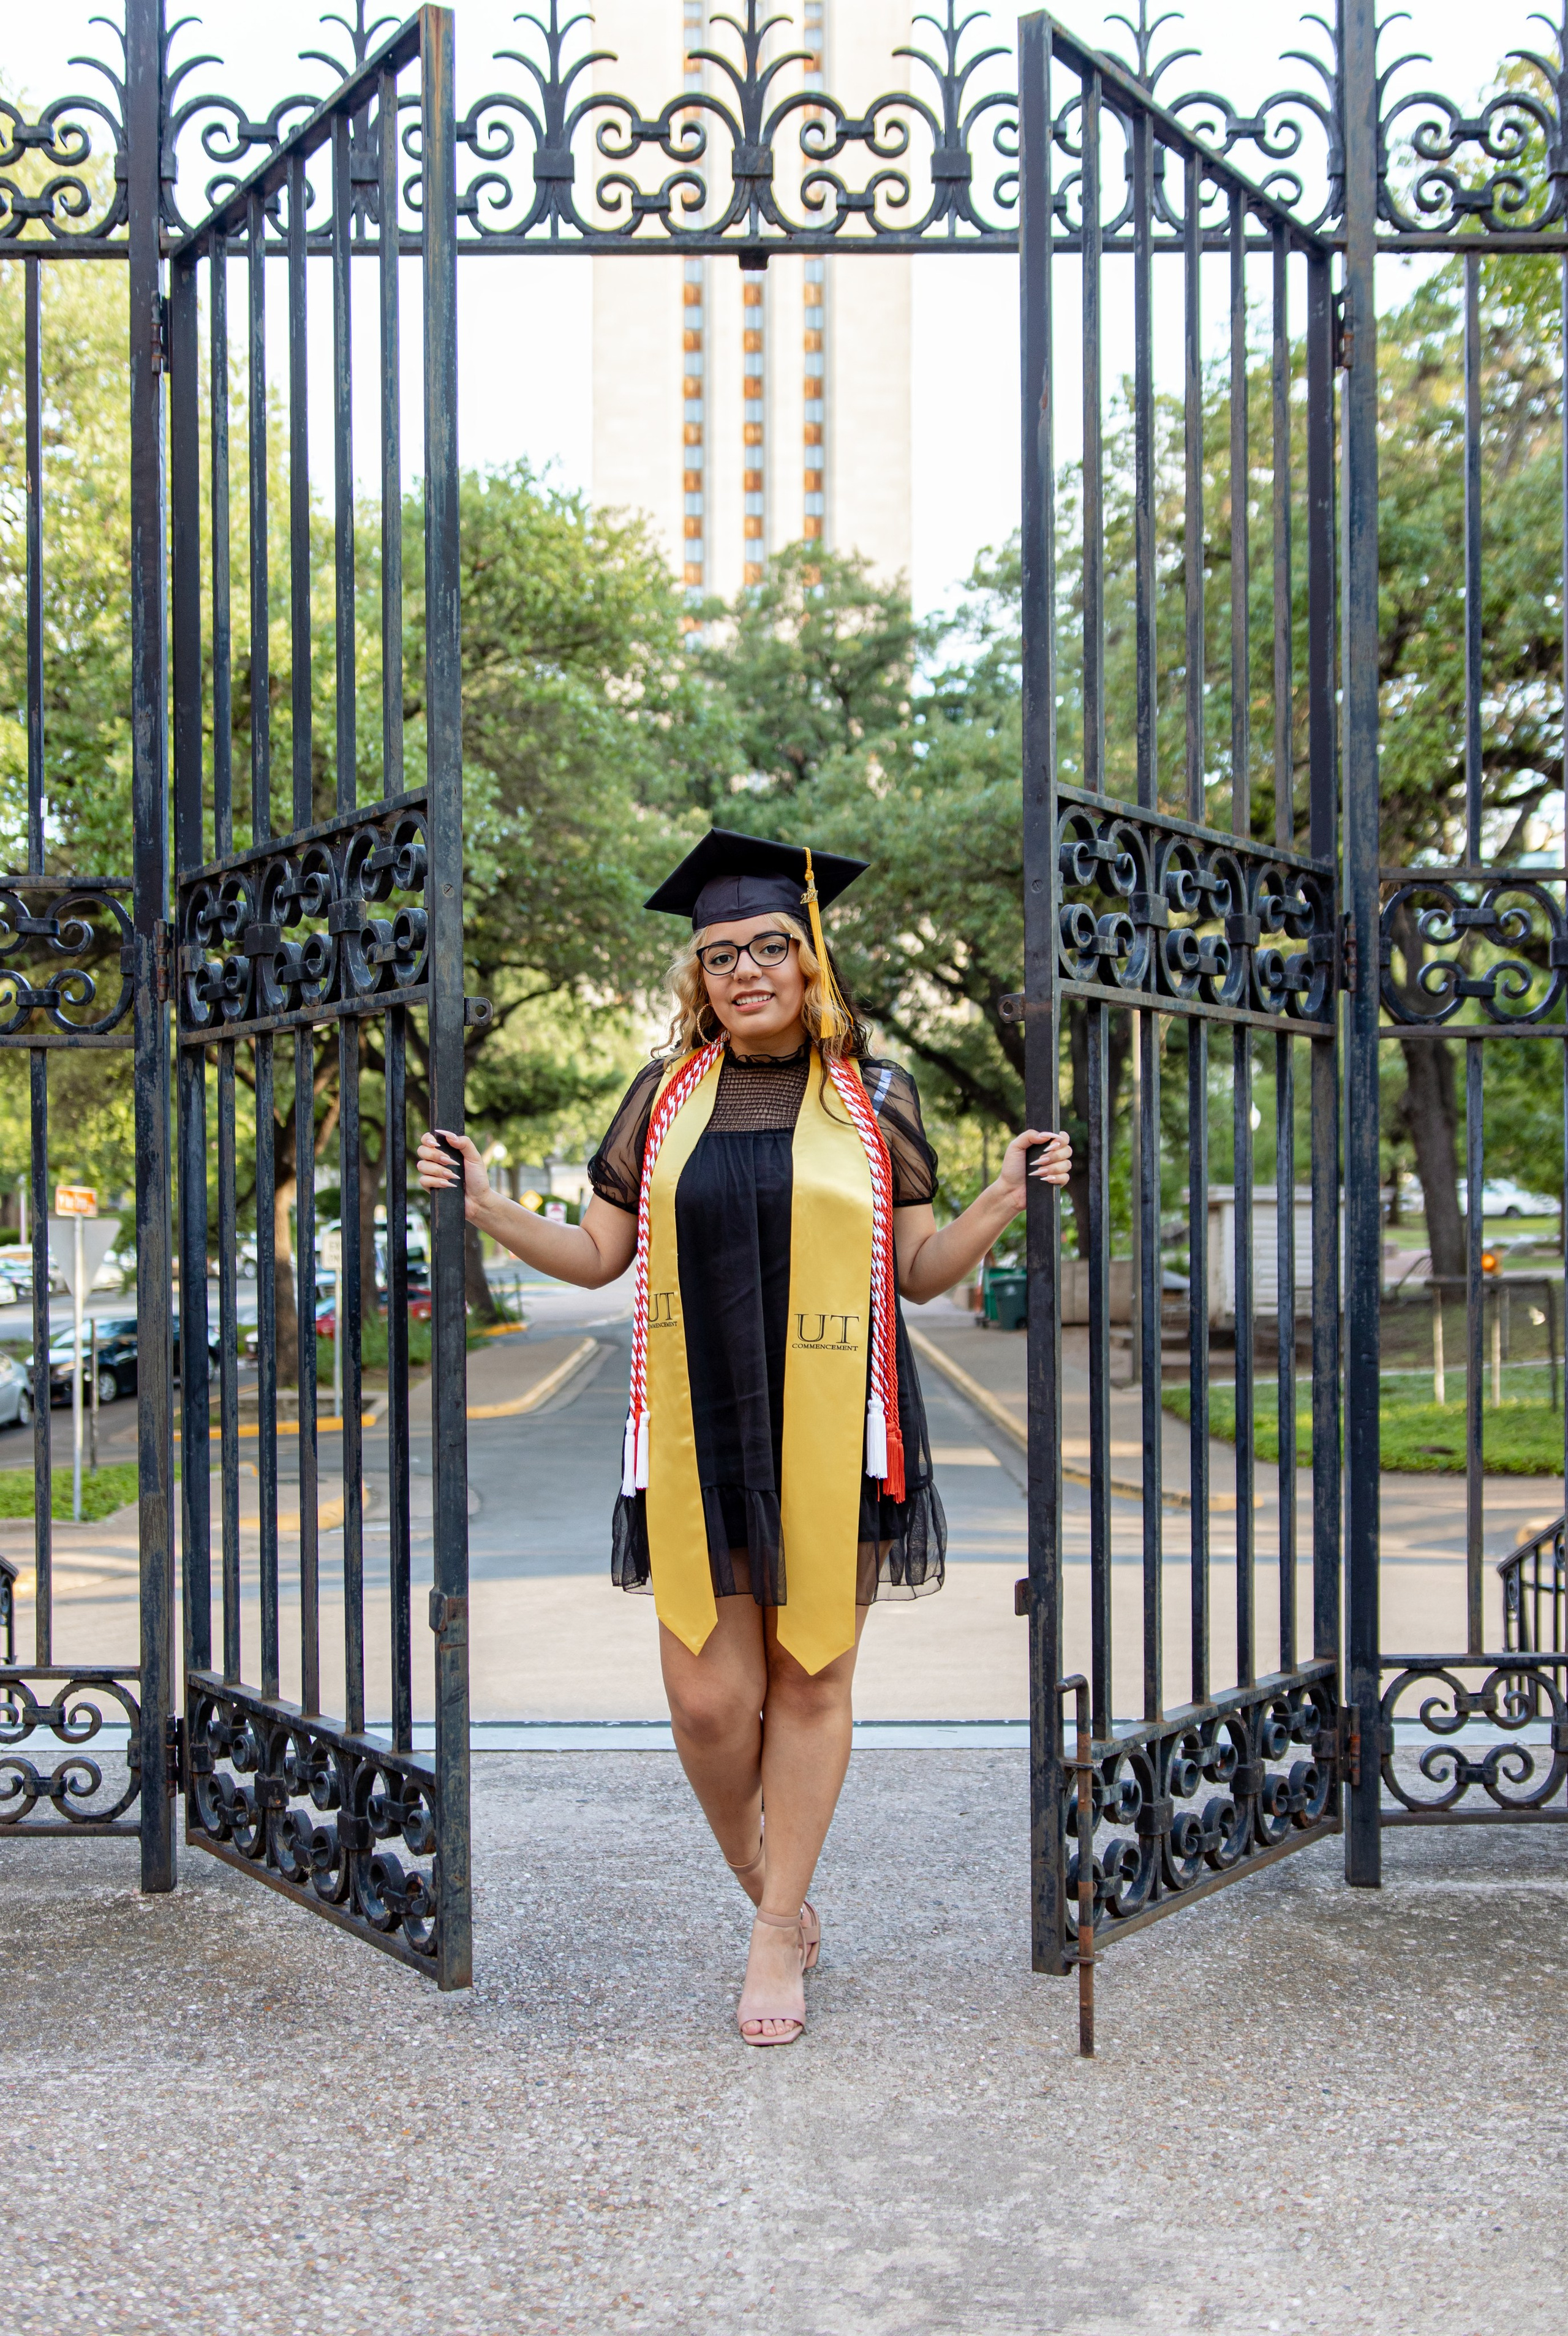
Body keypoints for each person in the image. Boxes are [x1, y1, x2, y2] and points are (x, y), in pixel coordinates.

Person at [417, 828, 1072, 2046]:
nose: (744, 971)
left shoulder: (875, 1095)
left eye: (768, 945)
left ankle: (776, 1930)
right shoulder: (663, 1096)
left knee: (809, 1676)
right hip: (697, 1422)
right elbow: (599, 1255)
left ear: (809, 956)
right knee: (710, 1704)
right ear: (699, 975)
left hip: (835, 1422)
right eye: (719, 955)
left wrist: (1001, 1197)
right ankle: (767, 1874)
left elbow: (920, 1270)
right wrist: (490, 1207)